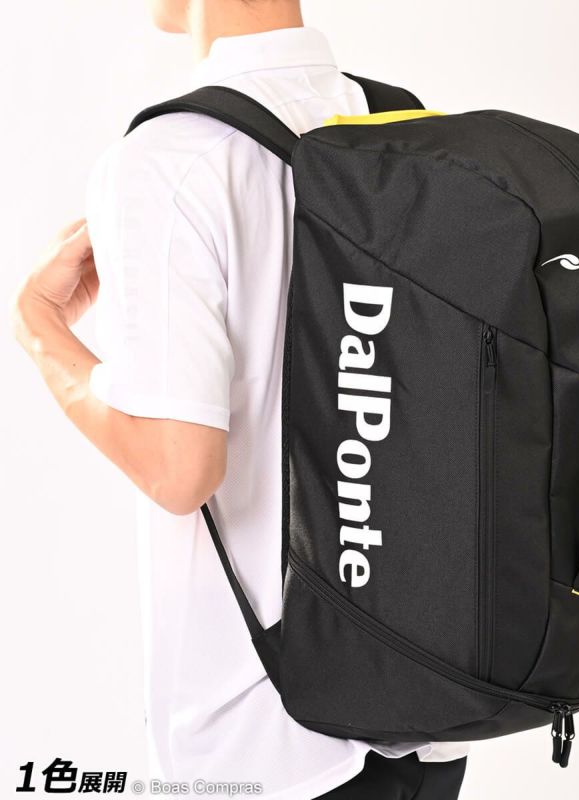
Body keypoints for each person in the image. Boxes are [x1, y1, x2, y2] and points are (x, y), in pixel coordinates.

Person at [12, 1, 468, 797]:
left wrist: (38, 325)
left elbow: (179, 469)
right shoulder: (403, 124)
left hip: (263, 738)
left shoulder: (172, 156)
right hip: (425, 716)